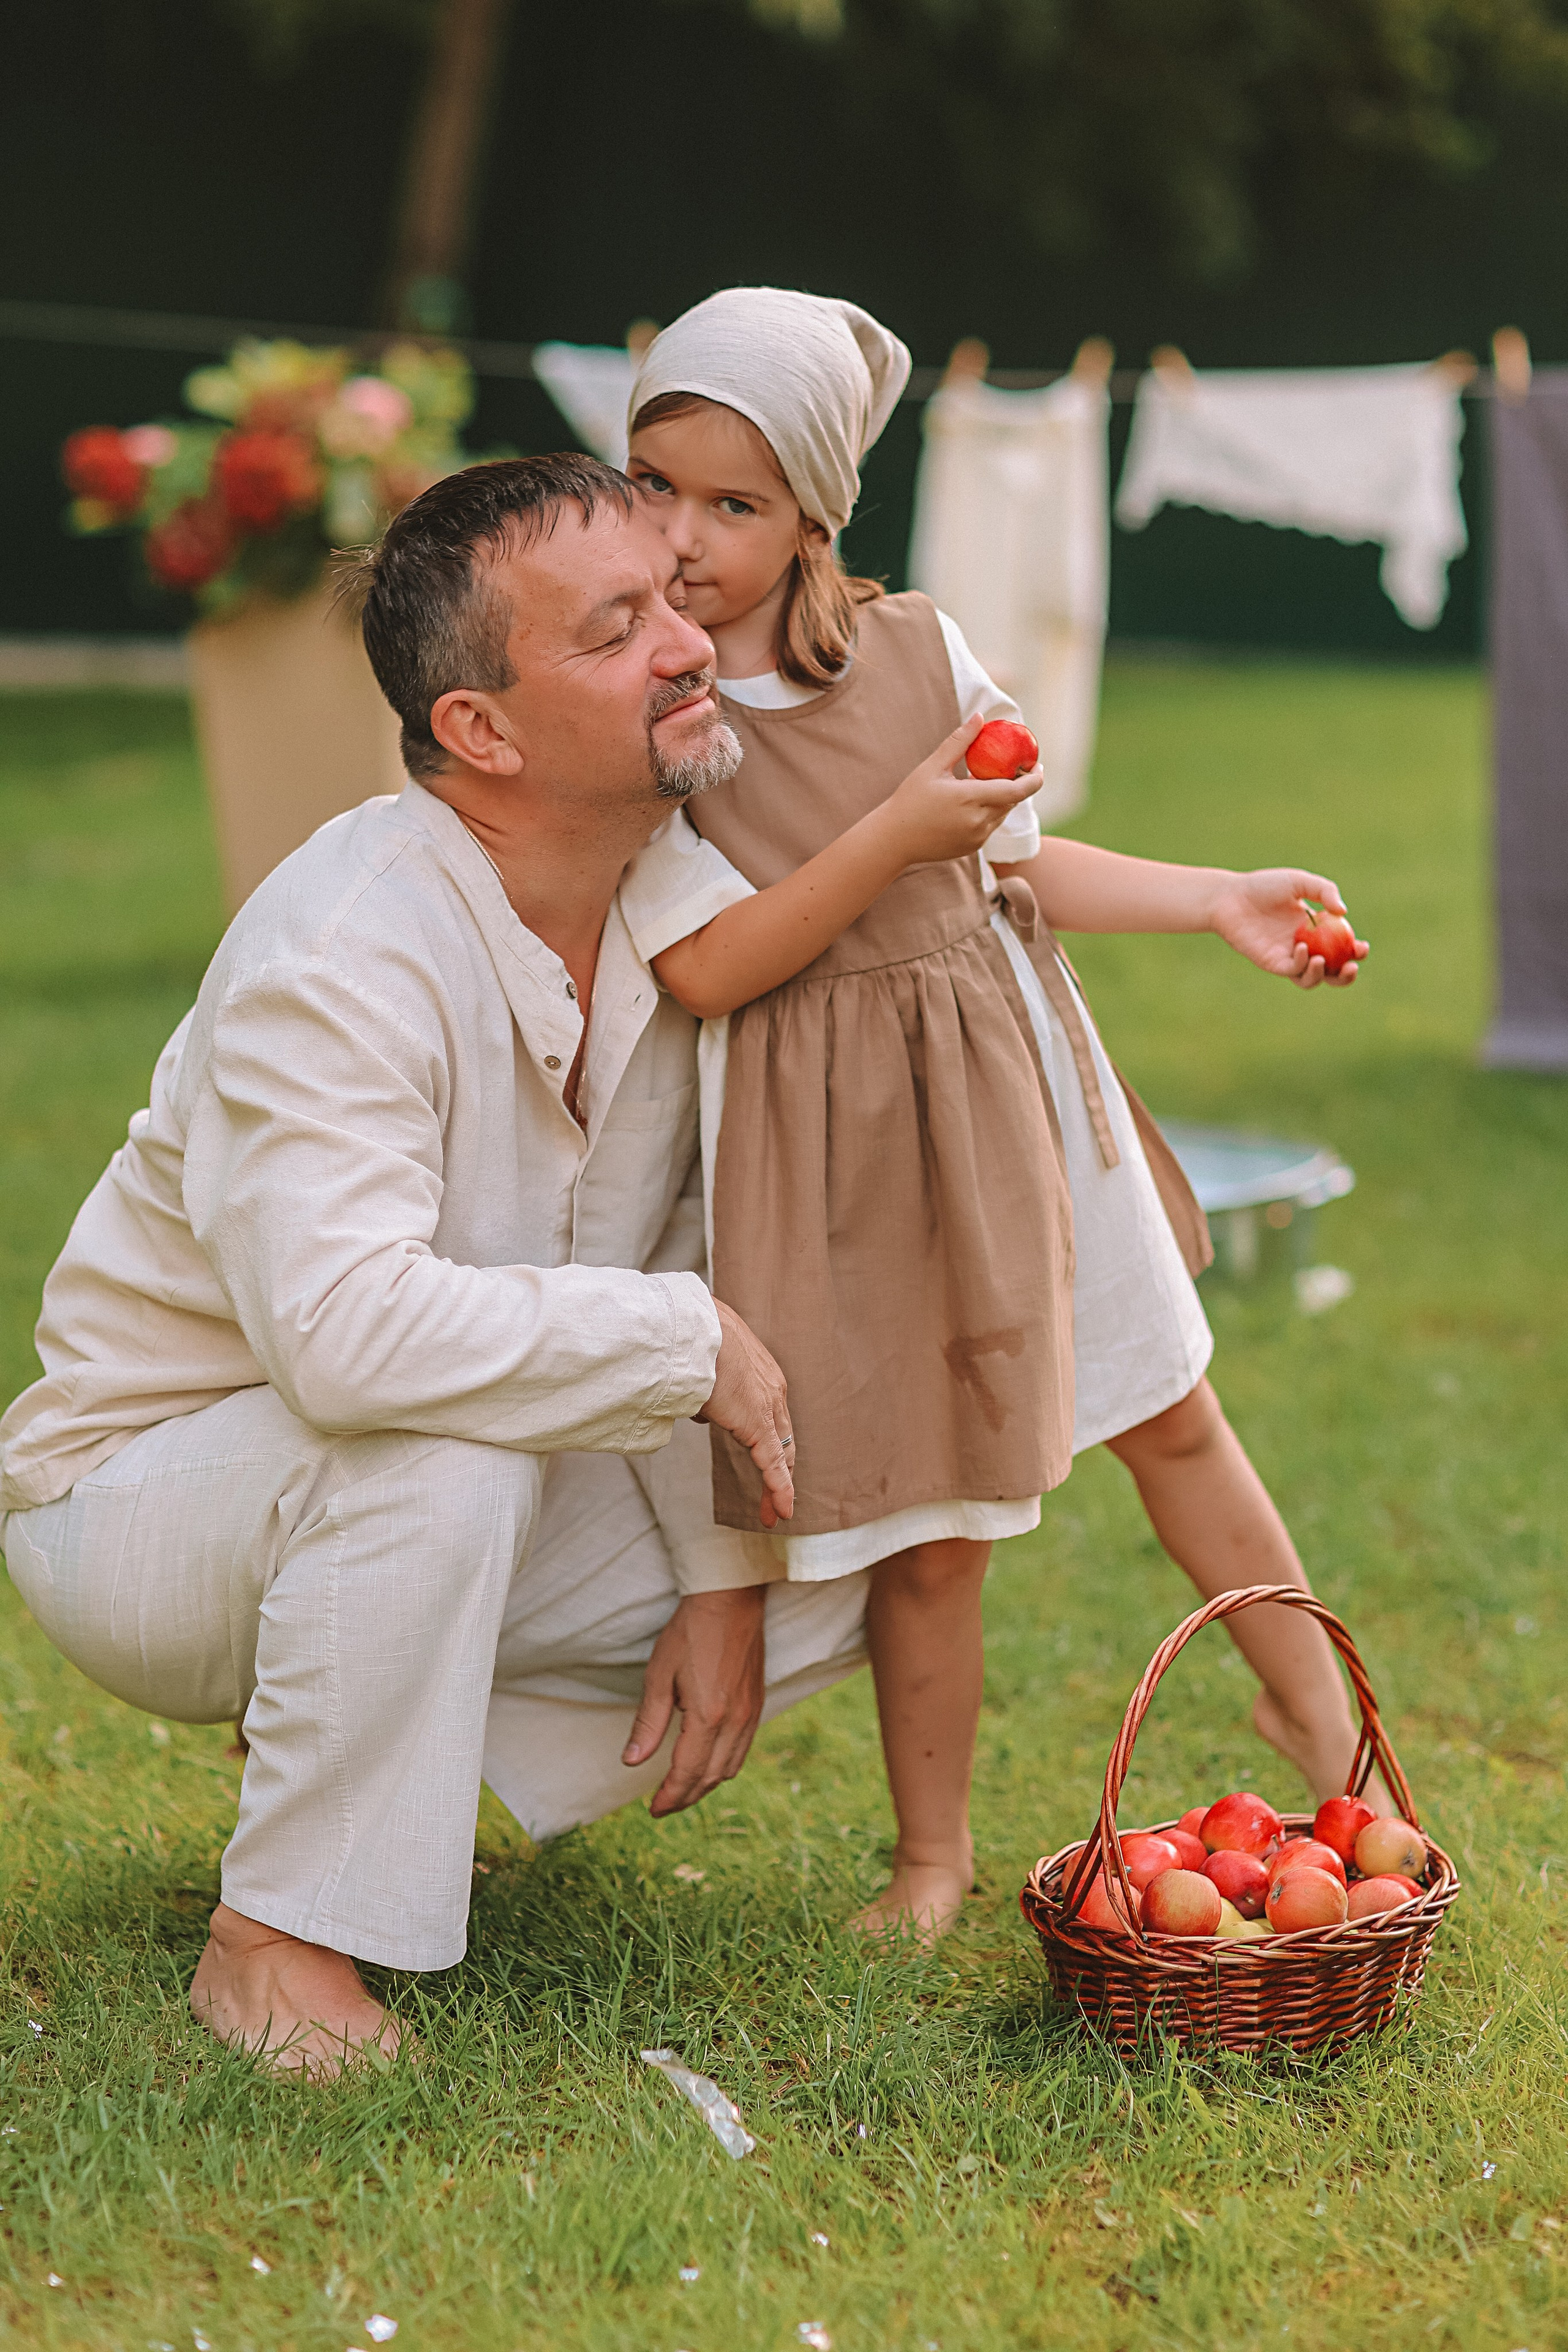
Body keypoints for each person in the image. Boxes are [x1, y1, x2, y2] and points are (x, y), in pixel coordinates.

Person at [0, 453, 1023, 2073]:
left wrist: (715, 1572)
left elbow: (681, 1228)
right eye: (614, 632)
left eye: (675, 602)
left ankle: (358, 1771)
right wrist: (684, 1343)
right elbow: (342, 1342)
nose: (685, 645)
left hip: (373, 1462)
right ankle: (273, 1945)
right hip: (137, 1503)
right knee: (444, 1439)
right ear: (478, 731)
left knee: (836, 1524)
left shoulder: (666, 900)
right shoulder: (341, 951)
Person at [609, 287, 1376, 1942]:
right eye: (653, 485)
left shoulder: (917, 651)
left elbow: (1018, 861)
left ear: (812, 514)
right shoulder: (657, 720)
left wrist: (1217, 896)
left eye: (731, 505)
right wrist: (892, 830)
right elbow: (713, 968)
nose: (680, 538)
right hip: (841, 1161)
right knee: (933, 1530)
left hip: (1014, 1101)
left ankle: (1321, 1720)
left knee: (1174, 1408)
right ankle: (932, 1856)